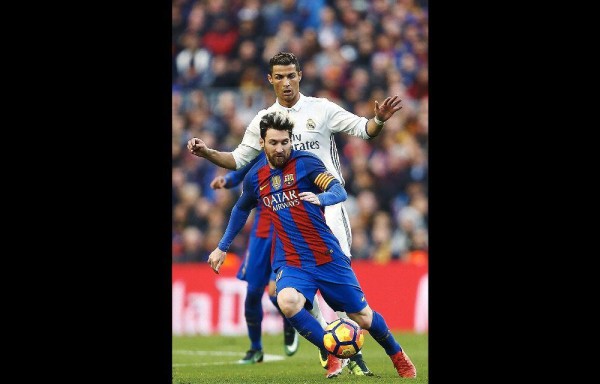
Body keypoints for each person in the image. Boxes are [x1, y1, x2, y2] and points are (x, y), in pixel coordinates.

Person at [187, 51, 403, 376]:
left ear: (300, 75)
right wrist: (207, 153)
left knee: (339, 291)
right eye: (280, 76)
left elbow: (364, 129)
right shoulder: (265, 121)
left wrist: (380, 120)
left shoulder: (322, 109)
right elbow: (237, 159)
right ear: (270, 80)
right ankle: (332, 347)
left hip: (327, 205)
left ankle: (348, 353)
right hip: (288, 211)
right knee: (295, 293)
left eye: (291, 75)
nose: (286, 82)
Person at [207, 111, 416, 379]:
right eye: (274, 143)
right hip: (292, 260)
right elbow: (241, 208)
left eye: (285, 142)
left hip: (326, 255)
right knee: (287, 300)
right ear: (262, 143)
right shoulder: (255, 177)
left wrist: (323, 198)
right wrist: (222, 246)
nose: (280, 148)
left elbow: (338, 188)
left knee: (362, 316)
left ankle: (398, 355)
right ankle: (331, 350)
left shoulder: (305, 163)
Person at [209, 157, 299, 363]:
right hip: (260, 236)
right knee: (252, 293)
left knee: (275, 292)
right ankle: (255, 348)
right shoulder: (259, 157)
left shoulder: (295, 158)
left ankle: (290, 320)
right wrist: (227, 181)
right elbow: (240, 173)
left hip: (285, 236)